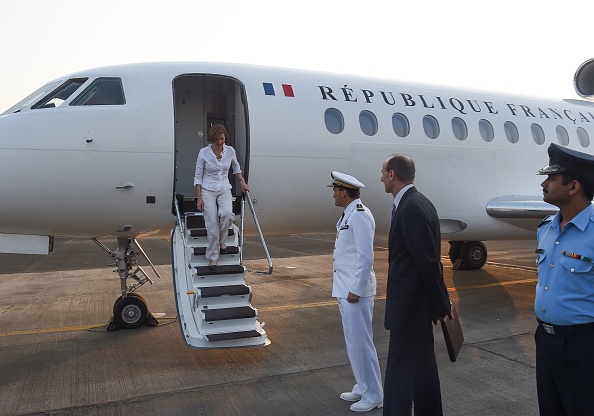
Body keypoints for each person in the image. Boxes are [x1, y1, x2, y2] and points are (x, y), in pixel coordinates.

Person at [380, 153, 451, 416]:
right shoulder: (421, 203)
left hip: (409, 312)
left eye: (382, 172)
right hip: (418, 310)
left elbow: (428, 263)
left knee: (398, 376)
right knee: (425, 372)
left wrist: (443, 304)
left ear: (392, 175)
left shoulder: (410, 208)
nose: (380, 178)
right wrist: (439, 303)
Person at [534, 143, 594, 416]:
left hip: (583, 347)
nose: (544, 183)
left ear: (573, 187)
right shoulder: (545, 228)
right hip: (546, 342)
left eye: (552, 178)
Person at [329, 171, 384, 413]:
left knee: (362, 344)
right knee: (354, 342)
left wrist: (356, 288)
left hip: (355, 291)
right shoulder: (349, 214)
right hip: (345, 288)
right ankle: (363, 387)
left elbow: (365, 255)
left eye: (334, 190)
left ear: (344, 191)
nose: (333, 194)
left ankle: (374, 395)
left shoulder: (360, 215)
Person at [194, 124, 249, 270]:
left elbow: (236, 168)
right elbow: (198, 176)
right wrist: (199, 198)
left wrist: (242, 182)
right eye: (217, 139)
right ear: (212, 139)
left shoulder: (230, 151)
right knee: (212, 225)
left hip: (224, 187)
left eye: (222, 139)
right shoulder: (203, 153)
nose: (220, 142)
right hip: (207, 189)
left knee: (227, 214)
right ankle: (213, 257)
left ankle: (222, 240)